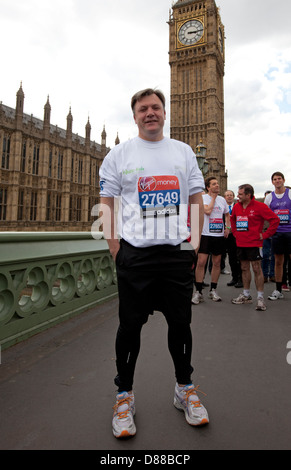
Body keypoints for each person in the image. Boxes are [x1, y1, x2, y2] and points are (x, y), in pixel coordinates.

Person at [99, 88, 209, 439]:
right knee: (129, 328)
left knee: (181, 324)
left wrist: (193, 244)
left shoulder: (183, 151)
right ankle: (124, 395)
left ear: (165, 113)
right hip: (136, 254)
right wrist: (117, 248)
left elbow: (195, 198)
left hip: (176, 253)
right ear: (135, 116)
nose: (150, 113)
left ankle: (184, 388)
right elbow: (107, 204)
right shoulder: (118, 154)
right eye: (143, 108)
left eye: (156, 107)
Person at [231, 184, 280, 311]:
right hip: (241, 243)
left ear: (248, 195)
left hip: (254, 244)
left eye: (240, 194)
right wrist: (235, 233)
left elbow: (275, 220)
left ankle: (260, 298)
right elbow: (232, 219)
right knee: (244, 268)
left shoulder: (260, 206)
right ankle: (246, 295)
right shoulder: (236, 206)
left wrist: (264, 235)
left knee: (257, 269)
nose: (238, 196)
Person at [192, 177, 230, 304]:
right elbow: (207, 211)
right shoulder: (203, 198)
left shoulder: (223, 200)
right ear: (208, 187)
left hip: (218, 236)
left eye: (218, 183)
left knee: (217, 262)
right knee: (201, 262)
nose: (217, 186)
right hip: (205, 234)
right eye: (214, 184)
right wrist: (213, 197)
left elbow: (227, 214)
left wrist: (227, 227)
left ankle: (213, 290)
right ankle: (198, 291)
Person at [264, 173, 291, 300]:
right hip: (277, 233)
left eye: (279, 179)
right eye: (275, 179)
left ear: (283, 180)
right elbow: (266, 216)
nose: (277, 181)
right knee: (278, 262)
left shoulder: (290, 193)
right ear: (272, 182)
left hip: (290, 232)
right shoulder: (269, 197)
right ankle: (278, 289)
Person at [224, 190, 242, 287]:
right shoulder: (223, 207)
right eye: (227, 195)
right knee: (231, 258)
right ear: (225, 197)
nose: (229, 197)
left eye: (231, 195)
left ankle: (241, 279)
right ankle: (234, 278)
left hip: (236, 235)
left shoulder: (238, 206)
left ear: (234, 196)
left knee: (238, 258)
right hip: (226, 235)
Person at [262, 191, 275, 283]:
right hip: (265, 233)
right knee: (265, 255)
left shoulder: (276, 209)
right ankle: (264, 275)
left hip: (275, 233)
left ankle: (272, 274)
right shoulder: (262, 209)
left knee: (274, 256)